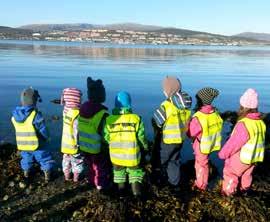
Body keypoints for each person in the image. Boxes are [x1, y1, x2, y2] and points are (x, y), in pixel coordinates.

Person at [218, 88, 266, 196]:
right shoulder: (260, 123)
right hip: (254, 157)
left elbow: (234, 143)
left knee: (231, 173)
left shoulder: (244, 124)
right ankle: (245, 191)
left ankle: (228, 194)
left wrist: (223, 153)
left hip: (242, 157)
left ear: (243, 107)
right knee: (247, 174)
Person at [104, 91, 148, 199]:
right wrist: (145, 148)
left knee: (119, 174)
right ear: (129, 104)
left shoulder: (109, 120)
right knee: (135, 173)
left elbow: (106, 138)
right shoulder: (136, 119)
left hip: (116, 157)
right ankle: (136, 195)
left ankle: (121, 195)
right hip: (132, 156)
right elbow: (141, 138)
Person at [152, 76, 192, 188]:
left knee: (160, 161)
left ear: (168, 91)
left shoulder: (166, 106)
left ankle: (158, 181)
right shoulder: (186, 106)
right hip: (180, 140)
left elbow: (157, 121)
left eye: (164, 90)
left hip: (167, 141)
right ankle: (175, 183)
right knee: (174, 160)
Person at [11, 87, 54, 182]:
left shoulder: (15, 116)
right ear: (34, 101)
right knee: (44, 156)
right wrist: (47, 138)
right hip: (36, 144)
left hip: (23, 144)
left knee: (26, 157)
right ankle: (47, 173)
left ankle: (26, 171)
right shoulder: (35, 115)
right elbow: (42, 130)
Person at [187, 87, 223, 191]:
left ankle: (201, 185)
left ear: (200, 100)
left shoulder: (198, 116)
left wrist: (188, 125)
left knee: (201, 164)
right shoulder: (215, 113)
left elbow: (191, 133)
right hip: (211, 142)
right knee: (204, 161)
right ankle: (203, 180)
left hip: (202, 145)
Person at [78, 77, 110, 190]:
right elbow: (106, 135)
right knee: (100, 167)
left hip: (84, 146)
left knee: (90, 166)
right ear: (101, 96)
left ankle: (92, 181)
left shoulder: (82, 110)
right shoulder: (103, 114)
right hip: (96, 148)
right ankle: (100, 184)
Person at [61, 88, 84, 182]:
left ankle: (67, 176)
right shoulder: (78, 115)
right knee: (77, 161)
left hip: (65, 144)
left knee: (66, 160)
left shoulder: (66, 113)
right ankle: (76, 178)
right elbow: (77, 132)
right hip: (75, 145)